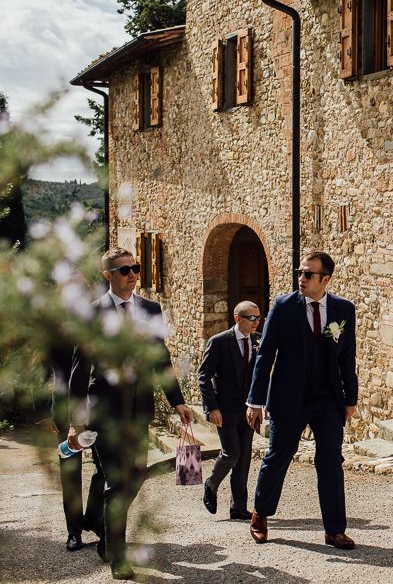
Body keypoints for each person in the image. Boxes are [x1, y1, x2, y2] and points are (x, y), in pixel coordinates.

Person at [68, 247, 192, 580]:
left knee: (133, 479)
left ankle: (105, 534)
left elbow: (160, 359)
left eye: (136, 268)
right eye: (125, 270)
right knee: (118, 482)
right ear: (107, 275)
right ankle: (118, 557)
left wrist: (177, 401)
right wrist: (74, 421)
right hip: (103, 413)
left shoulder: (150, 309)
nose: (133, 274)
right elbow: (80, 371)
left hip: (139, 412)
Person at [246, 251, 358, 549]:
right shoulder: (284, 306)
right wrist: (254, 401)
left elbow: (348, 356)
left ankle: (334, 529)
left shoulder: (343, 309)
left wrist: (351, 398)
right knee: (279, 456)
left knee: (331, 460)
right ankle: (261, 513)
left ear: (326, 279)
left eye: (308, 274)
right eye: (300, 272)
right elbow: (265, 355)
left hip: (327, 399)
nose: (302, 278)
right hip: (288, 396)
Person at [198, 300, 261, 520]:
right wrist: (211, 408)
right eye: (251, 318)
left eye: (258, 318)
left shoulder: (258, 341)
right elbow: (203, 377)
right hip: (224, 410)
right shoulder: (219, 342)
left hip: (248, 410)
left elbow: (261, 376)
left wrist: (259, 405)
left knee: (243, 459)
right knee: (231, 453)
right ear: (237, 318)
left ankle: (238, 507)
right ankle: (211, 483)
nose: (255, 323)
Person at [43, 343, 105, 551]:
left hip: (98, 407)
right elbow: (41, 370)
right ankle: (74, 531)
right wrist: (44, 411)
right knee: (70, 472)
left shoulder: (102, 322)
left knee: (104, 467)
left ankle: (93, 516)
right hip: (64, 409)